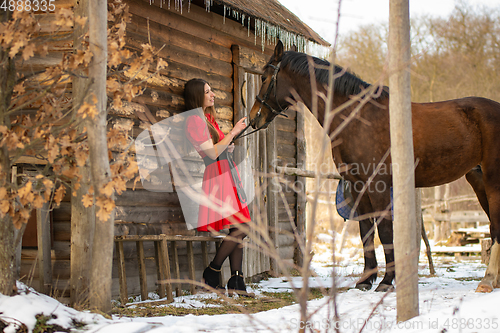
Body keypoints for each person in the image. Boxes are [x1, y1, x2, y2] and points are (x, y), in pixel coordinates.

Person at [183, 78, 250, 294]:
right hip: (217, 175)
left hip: (226, 172)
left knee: (237, 226)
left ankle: (237, 281)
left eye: (211, 90)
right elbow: (210, 153)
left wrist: (227, 147)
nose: (212, 95)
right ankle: (212, 272)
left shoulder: (208, 118)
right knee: (242, 226)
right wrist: (233, 132)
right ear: (197, 96)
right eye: (207, 92)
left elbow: (216, 148)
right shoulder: (194, 120)